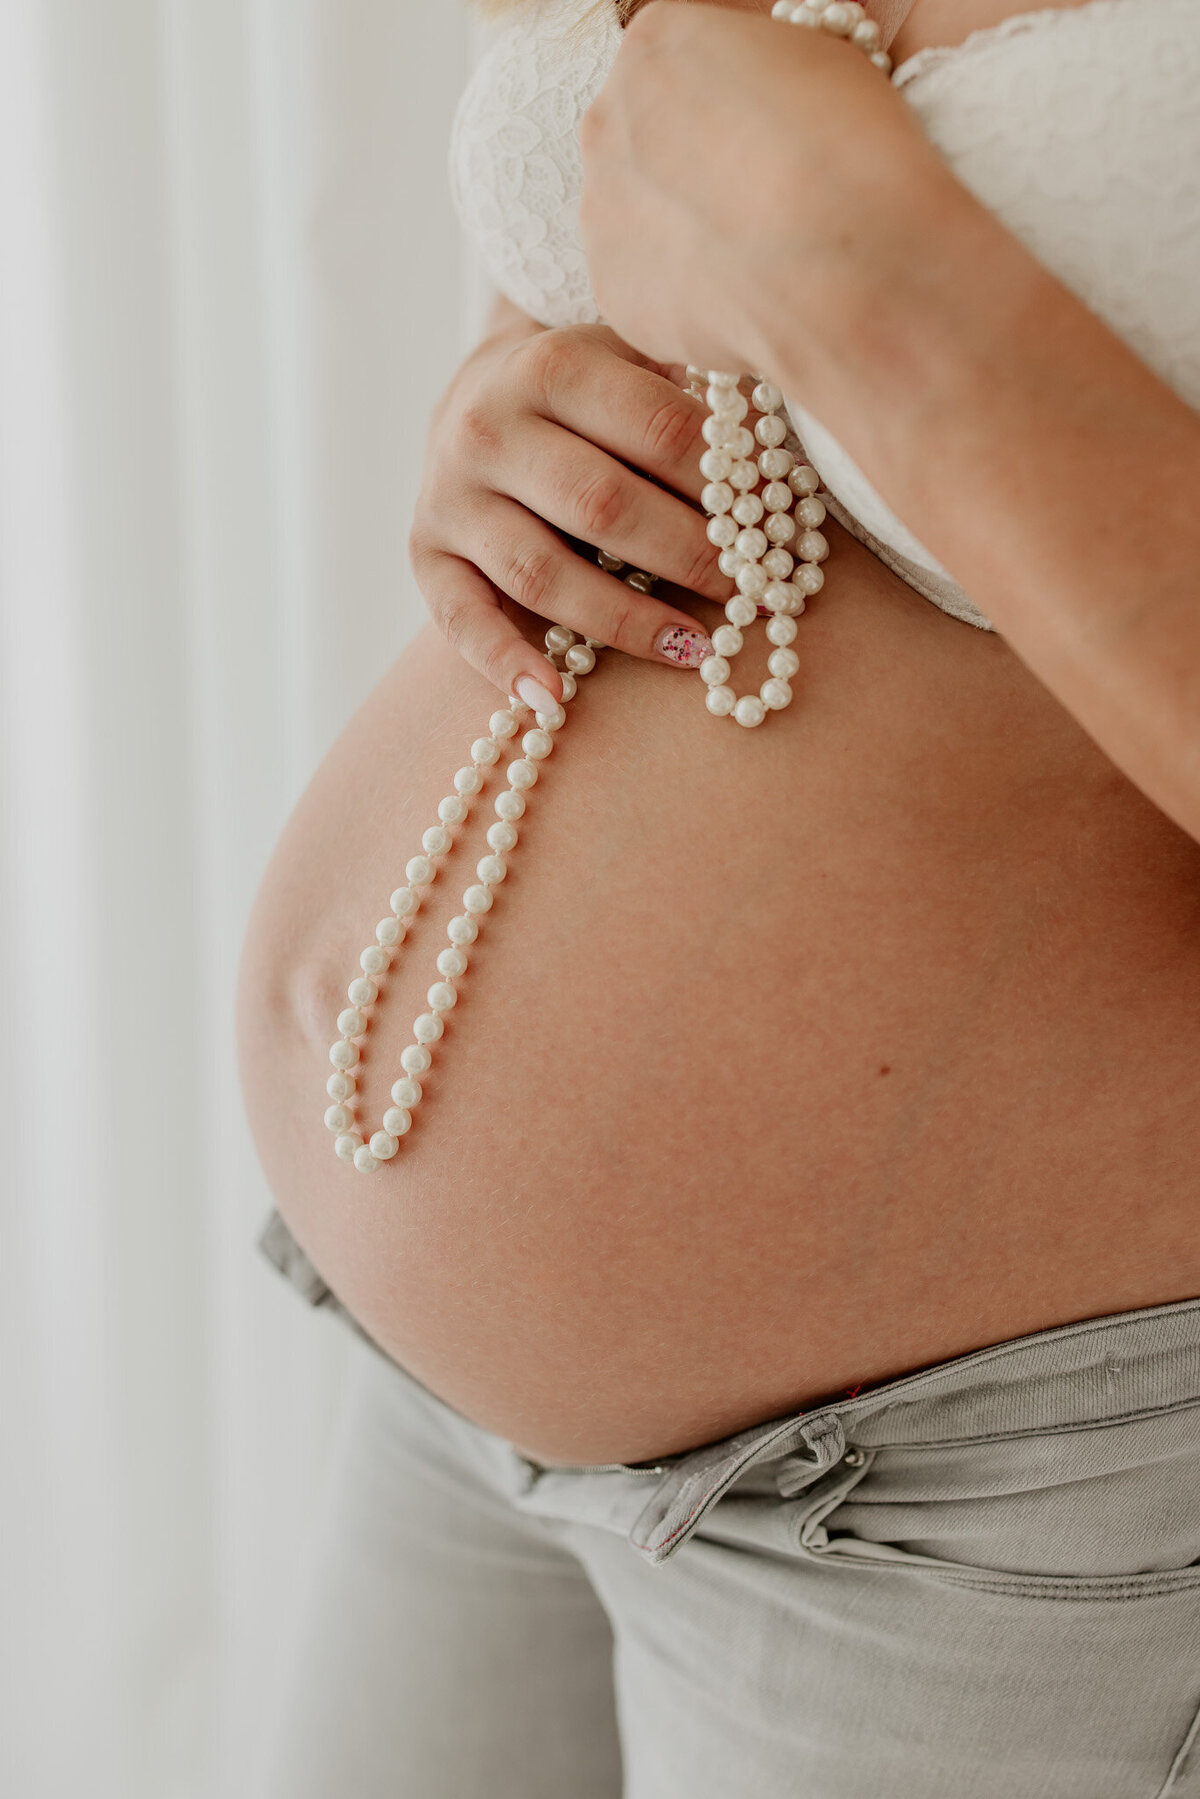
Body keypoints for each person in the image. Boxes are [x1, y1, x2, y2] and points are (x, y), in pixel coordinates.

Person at [239, 1, 1200, 1791]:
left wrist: (870, 285)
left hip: (959, 1508)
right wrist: (499, 424)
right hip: (426, 1398)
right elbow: (588, 274)